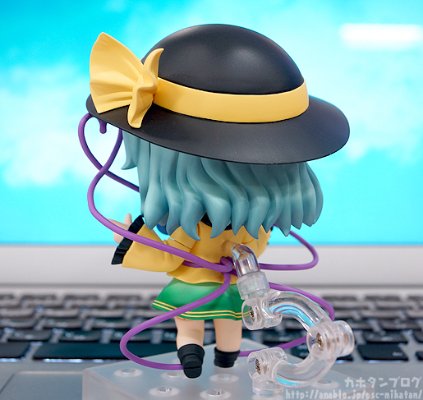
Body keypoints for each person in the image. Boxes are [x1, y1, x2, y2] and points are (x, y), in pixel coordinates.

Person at [85, 24, 349, 378]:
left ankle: (204, 353)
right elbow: (247, 250)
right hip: (230, 288)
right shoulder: (253, 229)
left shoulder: (196, 228)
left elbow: (168, 256)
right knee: (225, 324)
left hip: (198, 286)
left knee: (198, 324)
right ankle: (218, 354)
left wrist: (134, 240)